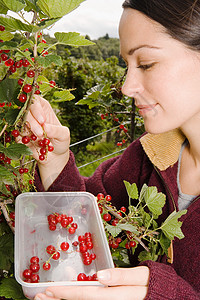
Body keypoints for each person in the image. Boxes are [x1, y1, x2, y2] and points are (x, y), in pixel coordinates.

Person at [26, 0, 200, 299]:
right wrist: (55, 162)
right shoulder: (148, 155)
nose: (126, 86)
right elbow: (88, 217)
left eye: (145, 64)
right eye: (126, 66)